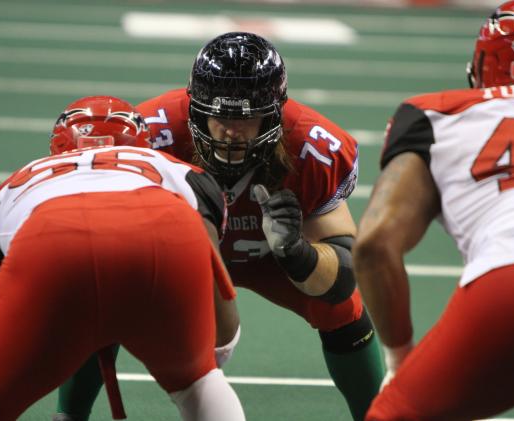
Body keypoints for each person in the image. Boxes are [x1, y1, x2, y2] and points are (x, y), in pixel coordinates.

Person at [56, 32, 384, 421]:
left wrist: (298, 252)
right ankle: (69, 414)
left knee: (341, 306)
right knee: (105, 292)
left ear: (275, 113)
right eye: (221, 116)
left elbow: (344, 272)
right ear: (195, 109)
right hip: (180, 251)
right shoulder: (151, 136)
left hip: (270, 256)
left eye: (247, 119)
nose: (232, 131)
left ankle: (376, 416)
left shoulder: (313, 145)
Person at [0, 96, 245, 421]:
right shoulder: (176, 169)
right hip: (166, 230)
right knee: (197, 384)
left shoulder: (22, 178)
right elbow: (204, 245)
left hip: (53, 238)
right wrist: (217, 350)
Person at [352, 1, 514, 419]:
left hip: (508, 288)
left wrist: (400, 359)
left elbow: (374, 244)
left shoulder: (438, 114)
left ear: (484, 65)